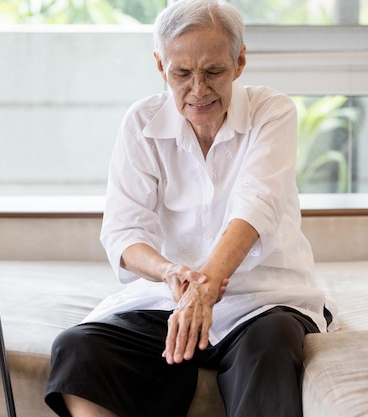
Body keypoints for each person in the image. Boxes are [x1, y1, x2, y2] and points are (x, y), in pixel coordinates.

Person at [45, 1, 335, 416]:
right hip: (168, 302)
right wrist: (172, 273)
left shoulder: (272, 111)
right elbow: (124, 233)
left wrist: (206, 286)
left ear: (239, 62)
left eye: (214, 71)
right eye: (182, 73)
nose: (198, 89)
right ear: (161, 67)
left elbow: (256, 206)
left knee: (270, 344)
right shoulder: (141, 123)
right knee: (76, 348)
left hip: (260, 302)